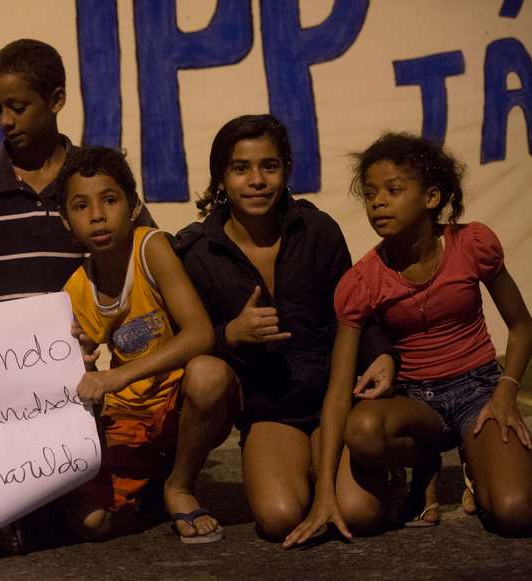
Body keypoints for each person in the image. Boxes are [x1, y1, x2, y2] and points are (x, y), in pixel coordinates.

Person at [286, 132, 532, 545]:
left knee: (514, 511)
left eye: (393, 190)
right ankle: (427, 464)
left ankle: (477, 462)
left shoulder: (472, 244)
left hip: (480, 391)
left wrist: (506, 392)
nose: (378, 202)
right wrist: (324, 493)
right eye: (369, 194)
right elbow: (337, 393)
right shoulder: (361, 281)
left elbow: (522, 326)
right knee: (362, 429)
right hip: (416, 401)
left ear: (432, 197)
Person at [175, 114, 398, 542]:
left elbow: (352, 313)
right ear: (221, 177)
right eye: (241, 168)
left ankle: (354, 469)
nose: (256, 180)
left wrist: (384, 353)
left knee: (360, 514)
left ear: (287, 171)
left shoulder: (318, 231)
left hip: (336, 397)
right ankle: (308, 469)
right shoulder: (199, 251)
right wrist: (230, 335)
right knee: (279, 518)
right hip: (270, 408)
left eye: (269, 166)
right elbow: (187, 339)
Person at [58, 147, 239, 543]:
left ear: (134, 204)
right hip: (128, 417)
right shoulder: (75, 288)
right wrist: (85, 363)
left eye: (109, 200)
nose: (97, 215)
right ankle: (150, 488)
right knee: (92, 523)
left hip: (180, 402)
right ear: (66, 222)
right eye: (81, 206)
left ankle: (180, 485)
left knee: (210, 374)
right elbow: (88, 378)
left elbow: (200, 334)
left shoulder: (150, 247)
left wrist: (116, 375)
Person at [0, 38, 153, 303]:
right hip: (4, 339)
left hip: (85, 336)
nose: (5, 121)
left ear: (56, 100)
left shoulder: (96, 174)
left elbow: (147, 249)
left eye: (18, 108)